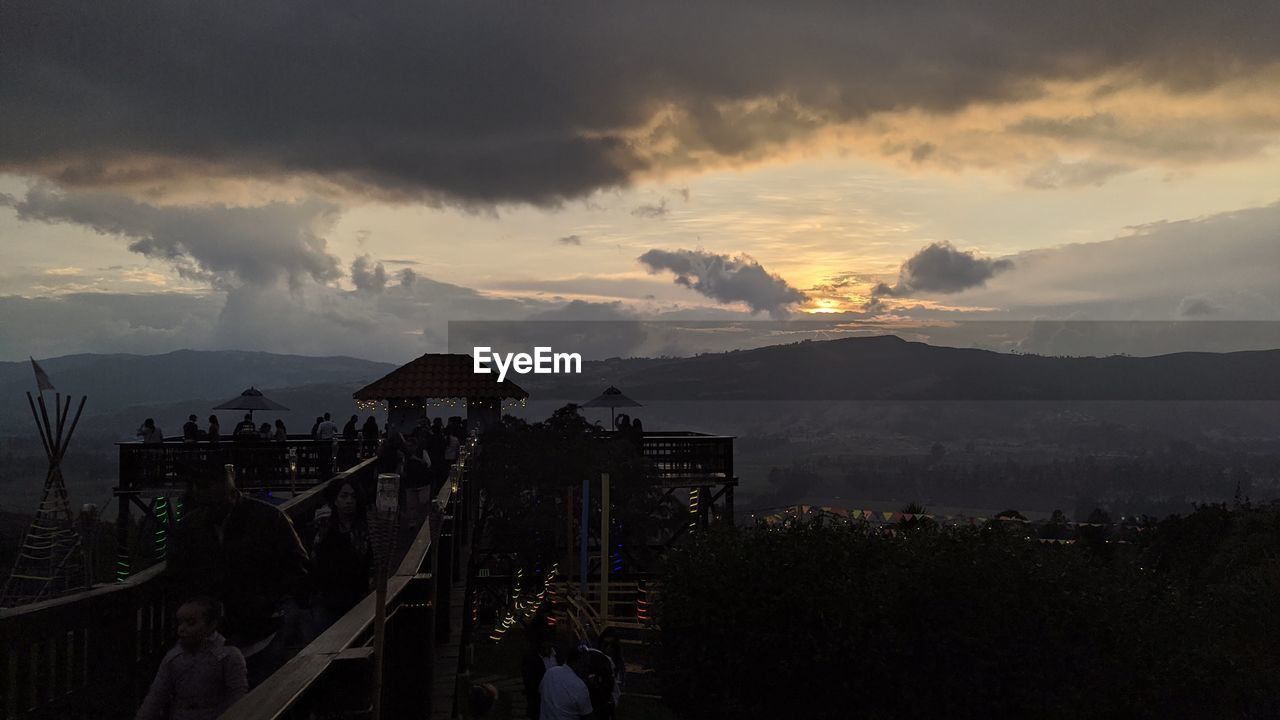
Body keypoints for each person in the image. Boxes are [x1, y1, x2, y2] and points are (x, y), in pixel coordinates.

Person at [168, 463, 309, 687]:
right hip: (211, 639)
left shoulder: (268, 520)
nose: (209, 511)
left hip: (258, 634)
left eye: (213, 504)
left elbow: (296, 568)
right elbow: (178, 577)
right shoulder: (191, 528)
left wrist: (267, 603)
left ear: (232, 495)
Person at [136, 596, 247, 720]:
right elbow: (156, 696)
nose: (182, 629)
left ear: (211, 625)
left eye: (191, 623)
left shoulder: (228, 655)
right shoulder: (173, 658)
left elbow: (238, 697)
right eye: (180, 623)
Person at [308, 479, 373, 636]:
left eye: (353, 496)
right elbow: (313, 557)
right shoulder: (324, 526)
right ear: (335, 500)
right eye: (344, 496)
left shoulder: (364, 528)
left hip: (356, 596)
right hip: (327, 597)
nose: (349, 501)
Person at [539, 645, 594, 720]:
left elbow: (541, 691)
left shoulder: (550, 672)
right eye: (586, 664)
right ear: (579, 662)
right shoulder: (580, 687)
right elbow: (588, 716)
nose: (587, 669)